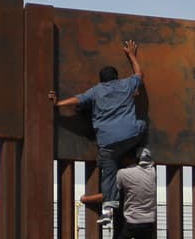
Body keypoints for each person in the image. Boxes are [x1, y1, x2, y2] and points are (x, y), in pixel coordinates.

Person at [49, 39, 145, 228]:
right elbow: (139, 74)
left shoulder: (96, 91)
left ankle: (108, 209)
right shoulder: (126, 84)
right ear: (116, 77)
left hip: (108, 143)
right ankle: (140, 158)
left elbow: (77, 99)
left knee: (108, 174)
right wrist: (132, 55)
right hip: (131, 136)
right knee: (141, 124)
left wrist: (57, 104)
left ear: (101, 80)